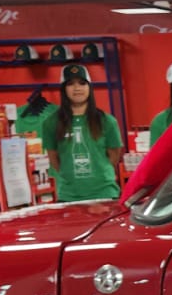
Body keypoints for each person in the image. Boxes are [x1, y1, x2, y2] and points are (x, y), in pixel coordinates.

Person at [41, 63, 122, 201]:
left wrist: (98, 172)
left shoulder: (107, 121)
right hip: (68, 196)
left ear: (89, 88)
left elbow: (114, 155)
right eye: (71, 84)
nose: (77, 88)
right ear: (63, 89)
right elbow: (54, 159)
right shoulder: (51, 123)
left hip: (105, 194)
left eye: (82, 83)